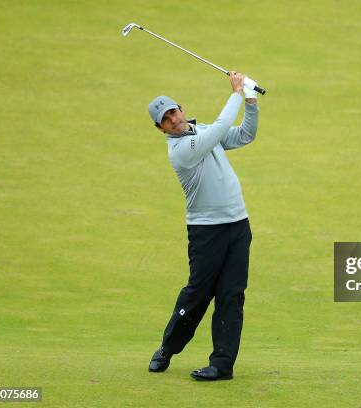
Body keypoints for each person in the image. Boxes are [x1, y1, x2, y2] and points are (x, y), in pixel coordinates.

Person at [146, 72, 259, 381]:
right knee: (198, 294)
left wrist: (250, 100)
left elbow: (245, 135)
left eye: (173, 111)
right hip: (206, 232)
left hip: (238, 225)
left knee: (231, 295)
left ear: (181, 109)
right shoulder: (181, 151)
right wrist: (235, 93)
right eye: (165, 119)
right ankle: (167, 349)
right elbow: (221, 128)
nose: (172, 119)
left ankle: (222, 365)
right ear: (160, 129)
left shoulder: (203, 130)